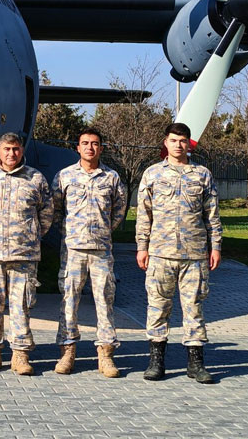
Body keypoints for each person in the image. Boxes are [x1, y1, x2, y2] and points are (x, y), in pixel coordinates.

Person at [135, 122, 223, 384]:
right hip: (160, 253)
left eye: (183, 140)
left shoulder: (202, 175)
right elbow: (144, 214)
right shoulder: (152, 174)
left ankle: (196, 364)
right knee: (157, 307)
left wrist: (215, 245)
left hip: (194, 255)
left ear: (189, 143)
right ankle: (155, 361)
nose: (178, 145)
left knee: (194, 308)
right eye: (174, 140)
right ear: (166, 142)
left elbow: (212, 214)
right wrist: (142, 247)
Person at [0, 132, 53, 375]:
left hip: (24, 256)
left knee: (21, 306)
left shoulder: (35, 179)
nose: (11, 154)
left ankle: (20, 355)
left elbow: (46, 214)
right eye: (7, 149)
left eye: (16, 149)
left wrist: (28, 235)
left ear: (21, 150)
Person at [52, 127, 128, 377]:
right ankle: (67, 352)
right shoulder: (64, 176)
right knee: (69, 302)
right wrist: (71, 230)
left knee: (105, 302)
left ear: (101, 148)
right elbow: (55, 210)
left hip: (101, 251)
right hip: (73, 249)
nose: (90, 148)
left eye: (95, 144)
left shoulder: (112, 178)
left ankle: (105, 354)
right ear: (78, 147)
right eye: (85, 143)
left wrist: (103, 230)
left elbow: (119, 211)